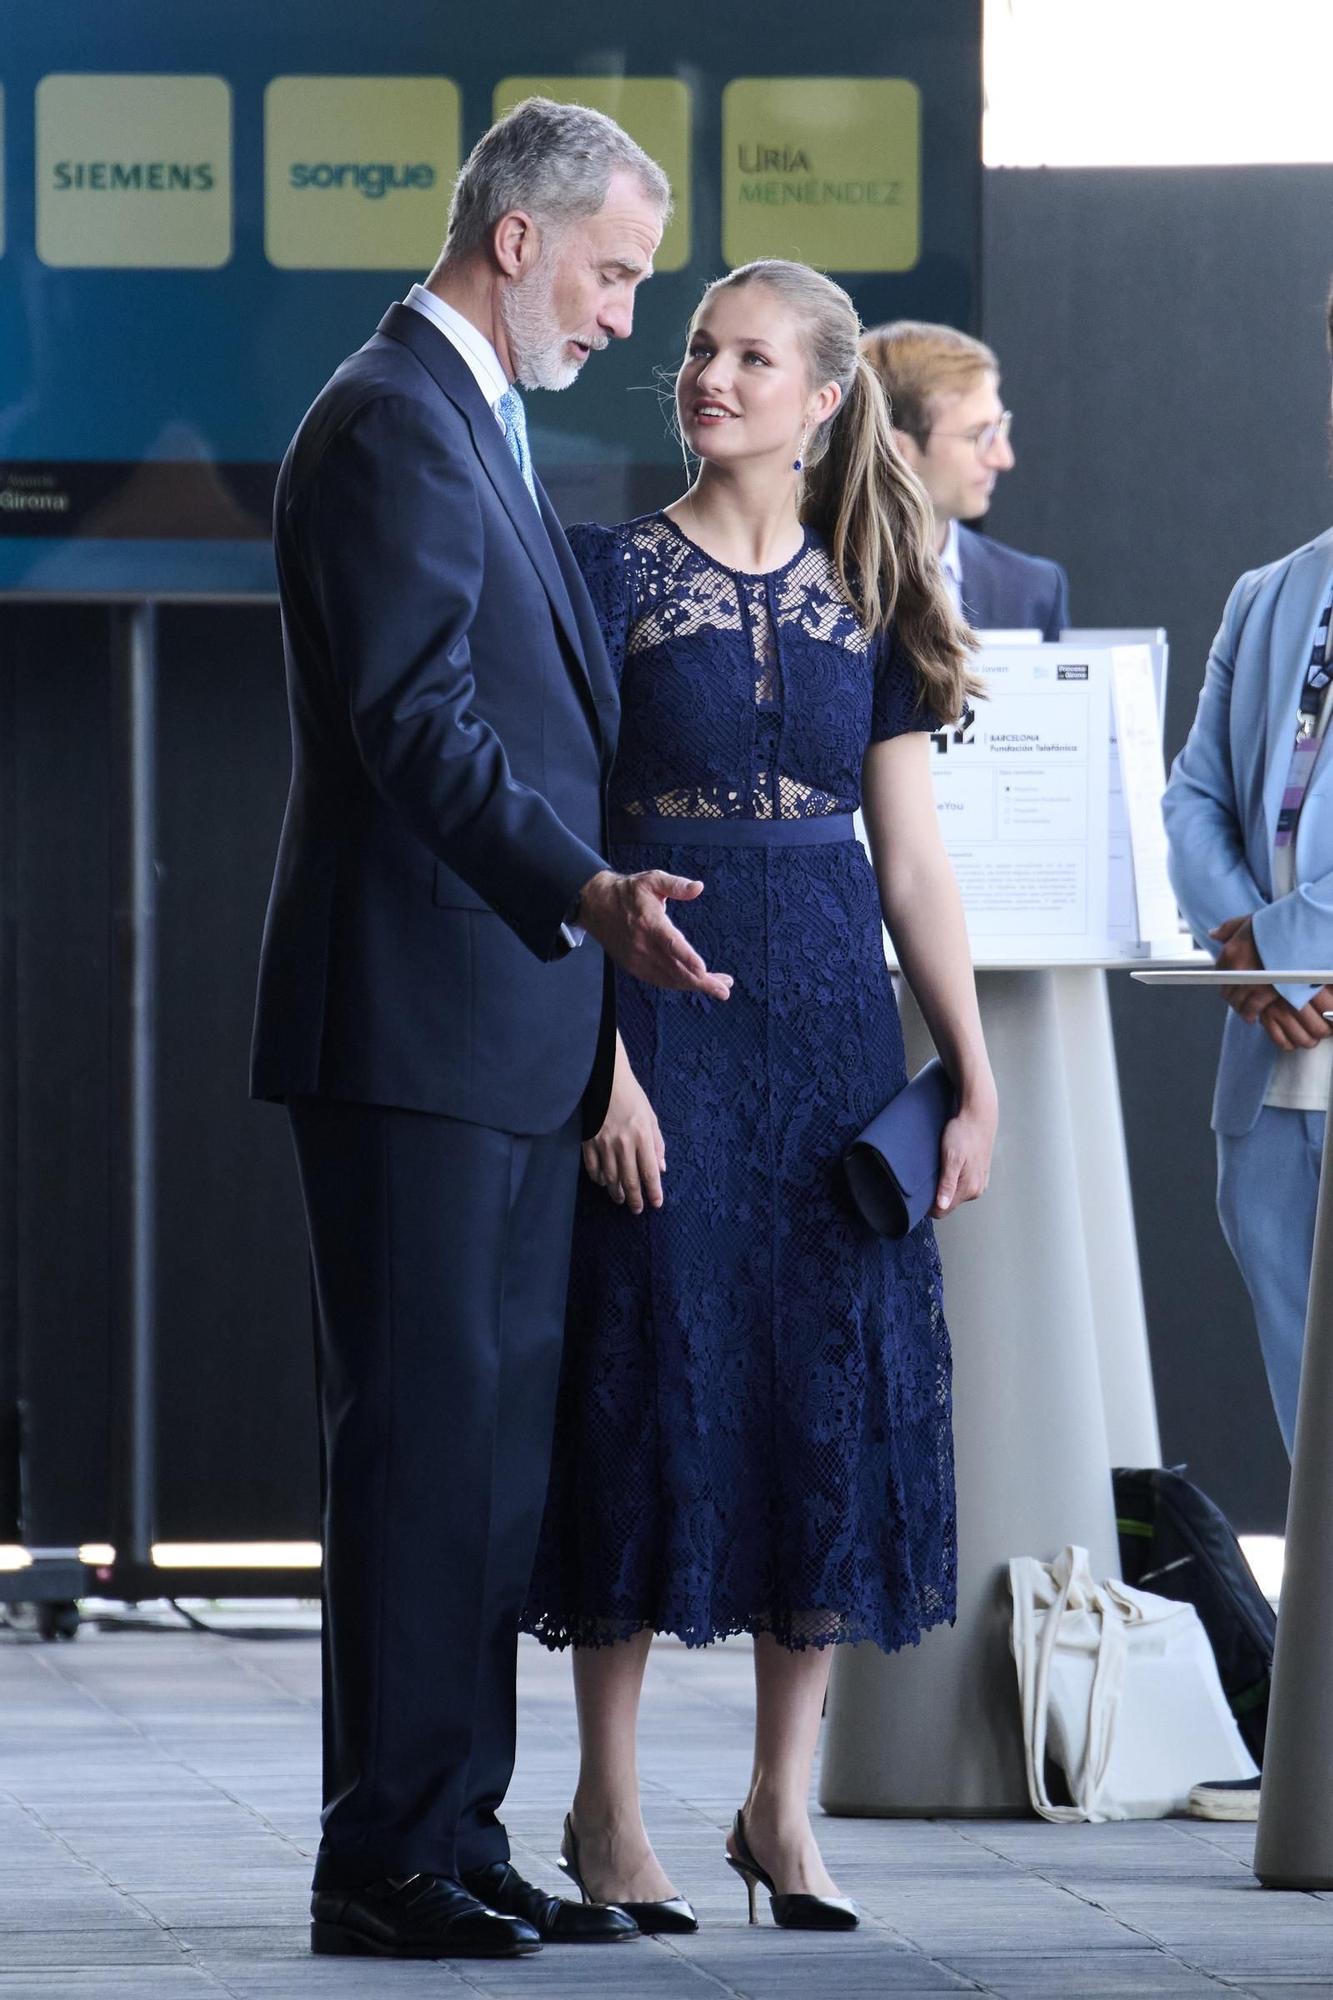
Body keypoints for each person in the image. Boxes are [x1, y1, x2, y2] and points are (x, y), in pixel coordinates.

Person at [250, 98, 735, 1963]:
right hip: (414, 1023)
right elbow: (417, 723)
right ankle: (378, 1857)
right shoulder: (390, 418)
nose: (627, 315)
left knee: (490, 1459)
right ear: (518, 241)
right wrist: (584, 893)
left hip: (502, 1030)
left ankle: (453, 1828)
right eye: (615, 272)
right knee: (418, 1451)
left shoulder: (472, 416)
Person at [523, 260, 998, 1930]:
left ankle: (779, 1814)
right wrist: (600, 1071)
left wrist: (969, 1079)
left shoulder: (871, 587)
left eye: (745, 357)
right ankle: (602, 1814)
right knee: (641, 1394)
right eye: (697, 351)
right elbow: (566, 856)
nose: (708, 377)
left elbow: (913, 863)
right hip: (659, 1038)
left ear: (818, 397)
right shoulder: (598, 578)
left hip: (828, 1049)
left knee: (819, 1394)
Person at [1163, 286, 1333, 1464]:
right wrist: (1241, 938)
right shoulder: (1268, 593)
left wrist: (1274, 948)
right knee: (1305, 1423)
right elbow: (1190, 801)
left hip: (1290, 988)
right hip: (1266, 1074)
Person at [860, 320, 1069, 638]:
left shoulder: (1031, 589)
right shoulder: (803, 583)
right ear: (896, 449)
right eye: (979, 435)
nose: (1004, 458)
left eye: (1000, 428)